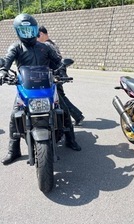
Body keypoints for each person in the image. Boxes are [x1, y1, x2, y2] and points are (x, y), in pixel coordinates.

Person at [0, 13, 81, 165]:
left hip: (46, 85)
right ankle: (13, 150)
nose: (27, 34)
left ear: (35, 30)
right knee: (14, 117)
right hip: (26, 87)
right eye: (24, 31)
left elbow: (57, 62)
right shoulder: (16, 48)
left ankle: (70, 139)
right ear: (18, 32)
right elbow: (7, 61)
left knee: (64, 109)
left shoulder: (45, 47)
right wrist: (3, 72)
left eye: (30, 30)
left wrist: (62, 70)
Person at [37, 25, 85, 126]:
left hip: (54, 76)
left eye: (37, 36)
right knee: (60, 98)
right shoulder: (50, 44)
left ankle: (75, 117)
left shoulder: (47, 45)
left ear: (41, 34)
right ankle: (74, 117)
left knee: (60, 98)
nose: (36, 39)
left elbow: (58, 61)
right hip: (54, 75)